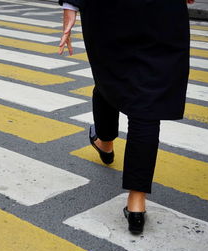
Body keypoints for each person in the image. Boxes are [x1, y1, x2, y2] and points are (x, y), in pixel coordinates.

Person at [59, 0, 193, 234]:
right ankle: (136, 203)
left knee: (108, 78)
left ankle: (106, 142)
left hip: (109, 13)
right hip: (162, 13)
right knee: (147, 105)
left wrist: (70, 6)